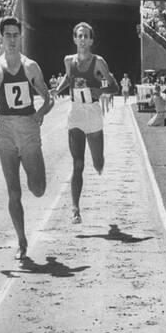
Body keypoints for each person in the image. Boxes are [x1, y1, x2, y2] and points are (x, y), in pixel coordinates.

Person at [0, 16, 54, 260]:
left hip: (27, 128)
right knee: (13, 192)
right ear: (1, 38)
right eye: (8, 36)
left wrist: (40, 113)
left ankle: (31, 168)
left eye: (16, 35)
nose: (12, 40)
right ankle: (22, 241)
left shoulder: (31, 67)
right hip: (4, 129)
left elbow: (48, 98)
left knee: (38, 189)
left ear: (20, 37)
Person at [51, 22, 119, 224]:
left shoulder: (98, 62)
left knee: (98, 161)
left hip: (93, 111)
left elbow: (113, 86)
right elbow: (68, 77)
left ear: (91, 40)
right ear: (74, 39)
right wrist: (58, 89)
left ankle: (99, 163)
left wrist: (101, 91)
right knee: (78, 163)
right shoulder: (68, 60)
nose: (82, 39)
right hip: (76, 113)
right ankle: (75, 209)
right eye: (79, 35)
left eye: (85, 36)